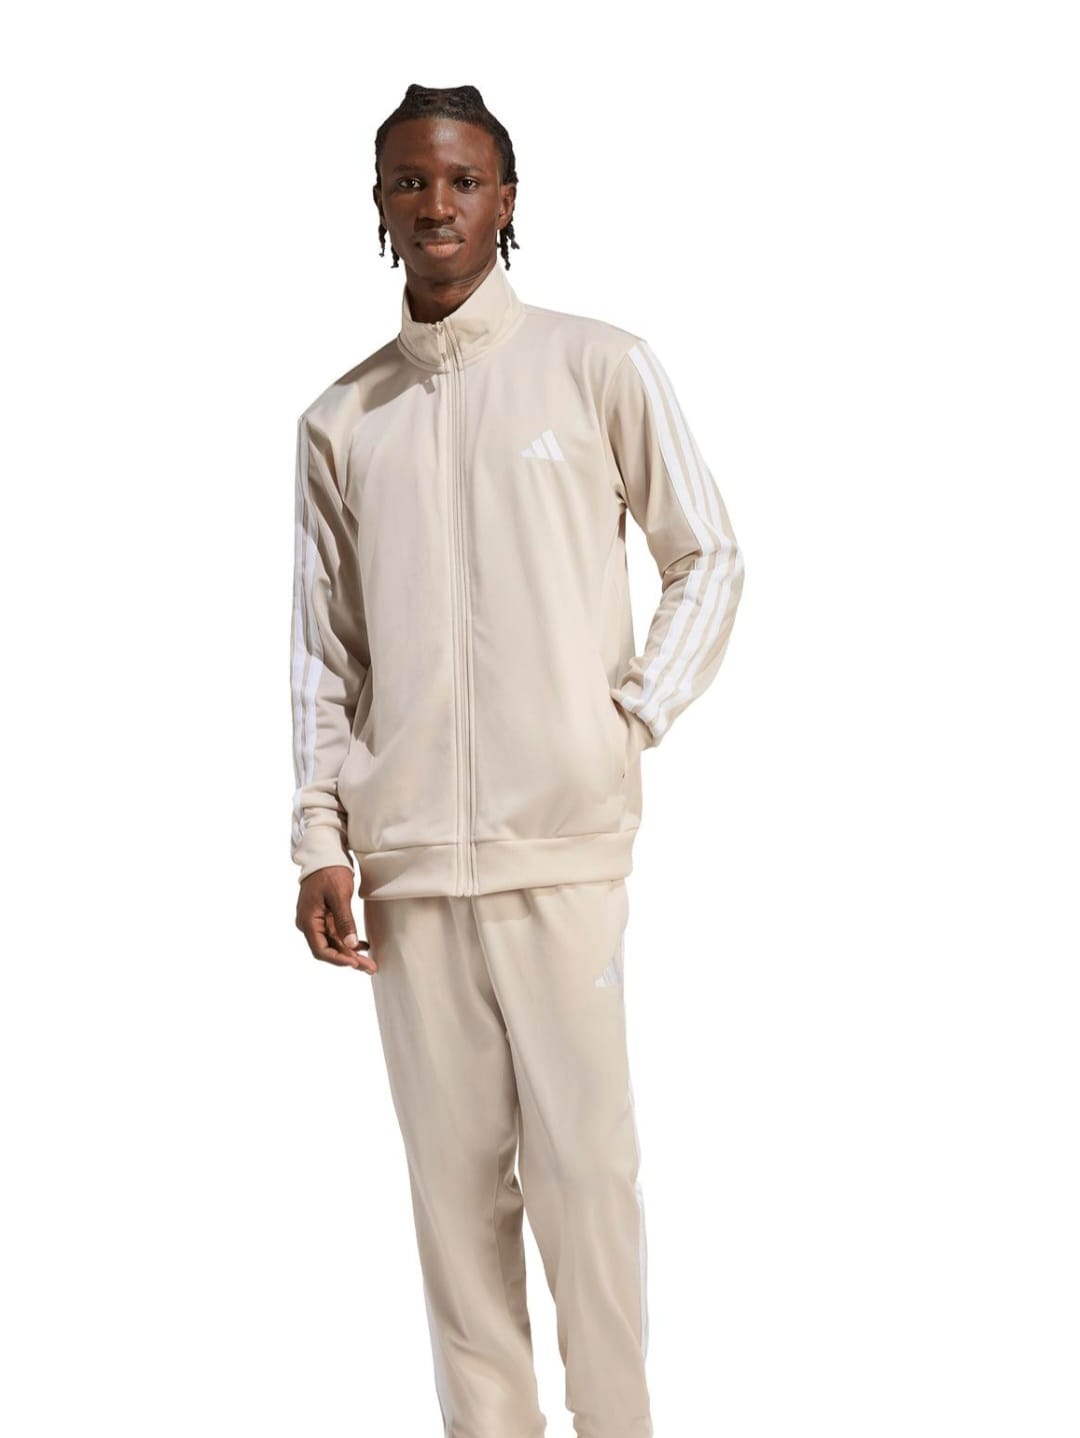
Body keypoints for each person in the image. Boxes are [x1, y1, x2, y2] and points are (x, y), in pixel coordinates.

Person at [290, 82, 745, 1438]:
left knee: (589, 1184)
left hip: (565, 849)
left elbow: (708, 553)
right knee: (454, 1206)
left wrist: (631, 713)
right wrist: (319, 838)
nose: (437, 204)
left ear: (505, 198)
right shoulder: (341, 420)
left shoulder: (597, 366)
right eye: (410, 183)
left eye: (462, 179)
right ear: (380, 208)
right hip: (410, 867)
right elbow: (324, 653)